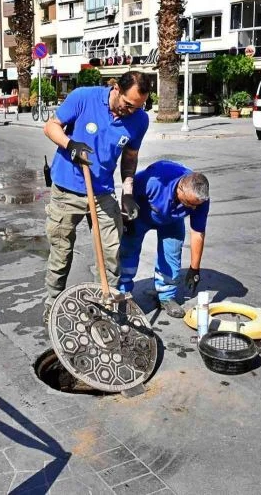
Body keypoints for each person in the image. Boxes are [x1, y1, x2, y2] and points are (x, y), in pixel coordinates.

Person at [43, 70, 151, 321]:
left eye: (138, 107)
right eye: (128, 104)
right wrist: (70, 145)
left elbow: (130, 157)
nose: (131, 111)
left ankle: (106, 302)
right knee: (61, 251)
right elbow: (50, 127)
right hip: (67, 189)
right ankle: (52, 302)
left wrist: (127, 192)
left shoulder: (139, 120)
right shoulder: (84, 97)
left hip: (102, 191)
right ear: (116, 89)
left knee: (111, 251)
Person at [118, 161, 210, 318]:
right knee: (128, 251)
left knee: (172, 254)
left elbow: (197, 233)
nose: (193, 208)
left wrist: (195, 268)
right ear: (180, 188)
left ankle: (166, 296)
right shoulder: (154, 180)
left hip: (172, 220)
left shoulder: (200, 199)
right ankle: (123, 294)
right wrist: (126, 219)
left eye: (196, 205)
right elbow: (128, 190)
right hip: (141, 214)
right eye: (189, 203)